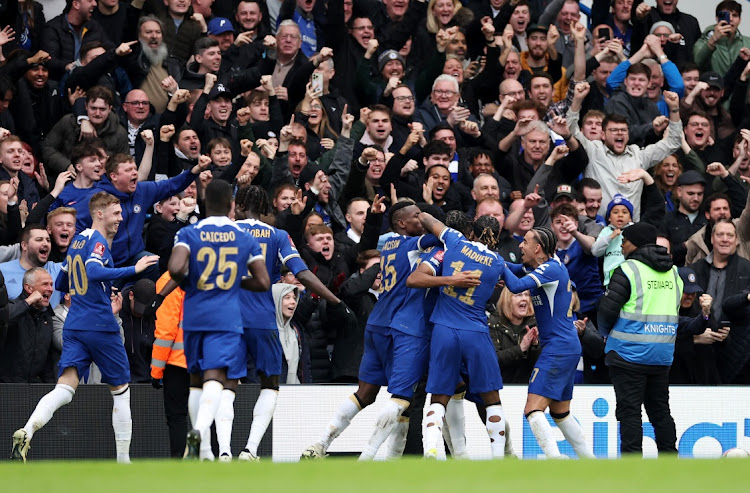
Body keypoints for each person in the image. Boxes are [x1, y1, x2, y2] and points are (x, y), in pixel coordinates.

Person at [10, 192, 159, 463]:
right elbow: (91, 271)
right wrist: (133, 269)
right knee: (121, 393)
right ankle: (124, 463)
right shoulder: (98, 241)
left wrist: (98, 288)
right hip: (101, 325)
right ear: (99, 214)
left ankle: (27, 429)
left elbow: (64, 282)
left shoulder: (78, 241)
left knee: (65, 389)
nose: (121, 218)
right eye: (116, 213)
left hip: (75, 325)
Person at [301, 201, 435, 459]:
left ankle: (321, 443)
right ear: (401, 224)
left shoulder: (388, 246)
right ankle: (368, 459)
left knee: (366, 394)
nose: (422, 218)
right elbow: (441, 235)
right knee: (403, 399)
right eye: (417, 215)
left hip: (376, 324)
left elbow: (369, 242)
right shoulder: (412, 245)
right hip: (398, 328)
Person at [158, 179, 270, 461]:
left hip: (194, 317)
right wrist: (233, 281)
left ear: (206, 204)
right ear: (232, 205)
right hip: (225, 317)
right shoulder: (244, 238)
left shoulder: (189, 232)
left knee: (196, 379)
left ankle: (205, 451)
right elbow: (264, 281)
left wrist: (194, 279)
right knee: (216, 377)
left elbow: (174, 269)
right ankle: (197, 430)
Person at [229, 185, 342, 462]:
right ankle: (250, 449)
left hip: (226, 319)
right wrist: (334, 298)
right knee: (270, 385)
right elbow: (301, 272)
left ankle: (221, 450)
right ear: (266, 208)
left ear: (239, 206)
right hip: (262, 320)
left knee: (225, 385)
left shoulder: (224, 232)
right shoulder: (277, 235)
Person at [416, 212, 508, 459]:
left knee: (438, 399)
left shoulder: (455, 241)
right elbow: (516, 282)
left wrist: (430, 232)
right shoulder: (498, 263)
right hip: (476, 332)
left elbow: (425, 217)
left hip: (444, 329)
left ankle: (432, 451)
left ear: (472, 232)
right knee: (491, 400)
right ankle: (499, 460)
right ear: (496, 236)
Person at [501, 227, 594, 459]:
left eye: (525, 242)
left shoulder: (550, 269)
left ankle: (555, 461)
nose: (520, 246)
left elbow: (515, 286)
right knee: (560, 412)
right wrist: (493, 261)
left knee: (533, 409)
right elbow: (511, 269)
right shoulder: (544, 267)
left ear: (538, 248)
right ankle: (591, 462)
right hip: (566, 345)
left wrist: (494, 264)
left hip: (558, 347)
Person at [597, 222, 684, 456]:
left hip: (628, 354)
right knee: (660, 412)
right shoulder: (674, 273)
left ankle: (633, 467)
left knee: (630, 413)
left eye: (625, 240)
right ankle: (669, 461)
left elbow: (606, 311)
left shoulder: (627, 270)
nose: (622, 244)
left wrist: (605, 334)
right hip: (661, 355)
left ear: (635, 243)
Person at [150, 271, 189, 458]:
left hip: (179, 362)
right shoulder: (212, 274)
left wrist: (156, 371)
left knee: (177, 417)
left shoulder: (168, 281)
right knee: (209, 415)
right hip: (209, 360)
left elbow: (166, 331)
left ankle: (179, 464)